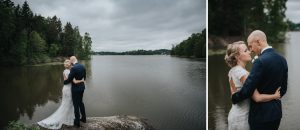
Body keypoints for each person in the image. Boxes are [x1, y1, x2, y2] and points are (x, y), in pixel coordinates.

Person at [231, 30, 288, 130]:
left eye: (250, 46)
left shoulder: (260, 61)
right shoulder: (282, 59)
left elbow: (248, 89)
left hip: (260, 116)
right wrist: (274, 96)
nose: (251, 50)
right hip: (276, 114)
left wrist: (235, 97)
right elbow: (283, 89)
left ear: (258, 42)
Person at [37, 60, 84, 129]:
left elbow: (66, 81)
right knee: (69, 104)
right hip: (68, 90)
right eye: (69, 63)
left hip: (65, 88)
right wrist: (82, 80)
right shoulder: (69, 72)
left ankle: (68, 118)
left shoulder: (64, 71)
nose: (70, 64)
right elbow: (74, 82)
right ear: (70, 65)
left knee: (66, 104)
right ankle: (68, 119)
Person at [64, 56, 87, 128]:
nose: (69, 62)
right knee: (81, 102)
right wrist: (81, 81)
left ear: (71, 60)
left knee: (76, 105)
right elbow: (85, 77)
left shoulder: (73, 68)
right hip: (82, 87)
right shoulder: (83, 66)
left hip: (75, 89)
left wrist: (64, 82)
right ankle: (84, 118)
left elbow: (69, 80)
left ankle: (77, 122)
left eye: (70, 61)